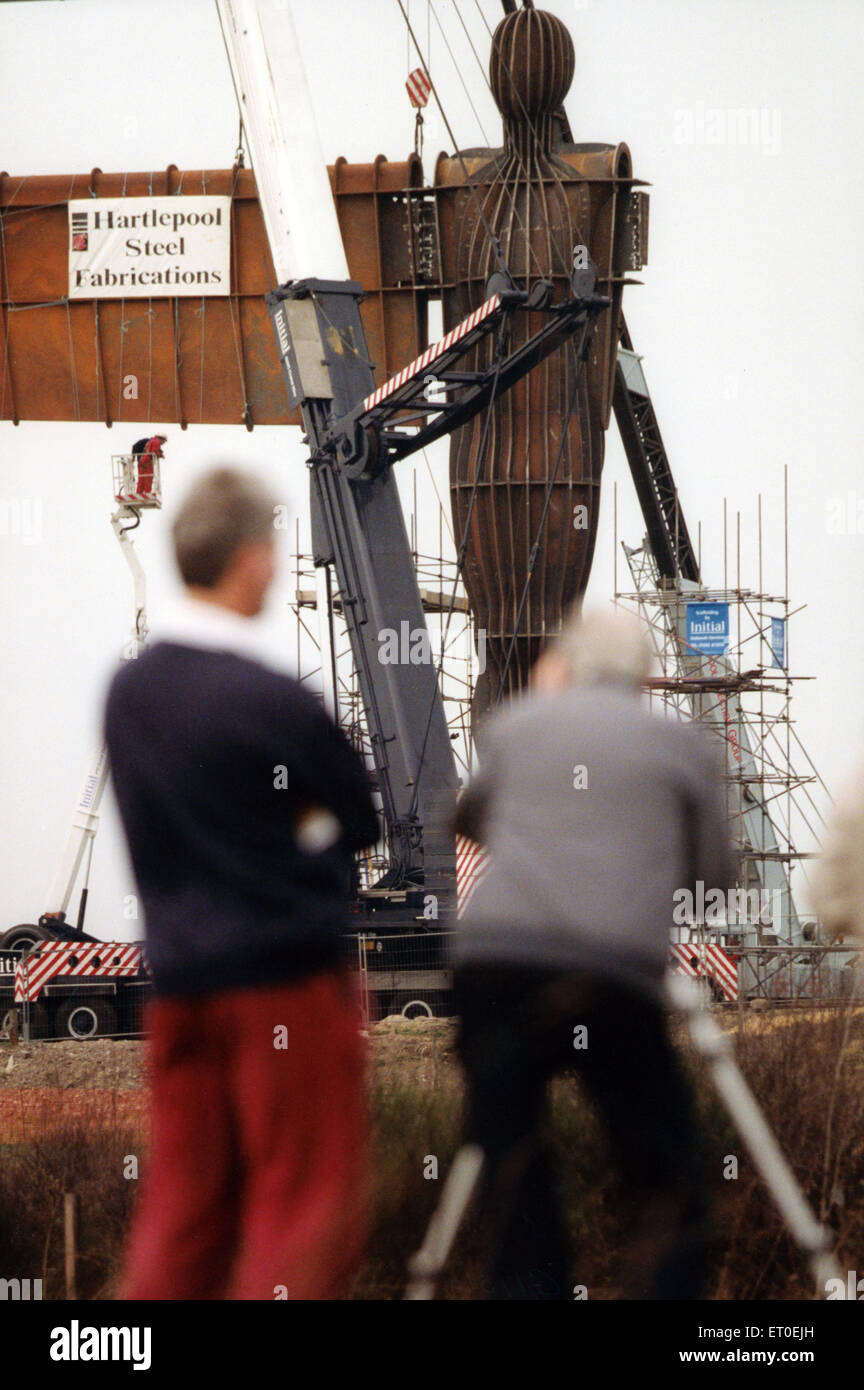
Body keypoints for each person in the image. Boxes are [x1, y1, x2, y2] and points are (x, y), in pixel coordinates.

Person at [104, 467, 379, 1300]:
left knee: (187, 1210)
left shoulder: (130, 694)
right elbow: (360, 822)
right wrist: (303, 829)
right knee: (302, 1205)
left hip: (181, 985)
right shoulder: (277, 704)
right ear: (254, 559)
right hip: (283, 982)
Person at [451, 606, 736, 1300]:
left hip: (493, 962)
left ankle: (530, 1288)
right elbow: (716, 876)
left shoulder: (514, 727)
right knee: (662, 1160)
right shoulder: (681, 745)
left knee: (509, 1149)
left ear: (566, 667)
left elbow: (469, 820)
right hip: (608, 969)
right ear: (644, 677)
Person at [134, 432, 166, 500]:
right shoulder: (156, 442)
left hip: (142, 461)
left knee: (141, 480)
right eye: (164, 441)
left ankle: (139, 494)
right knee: (148, 479)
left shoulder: (152, 441)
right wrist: (160, 455)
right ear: (162, 439)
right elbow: (154, 452)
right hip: (147, 462)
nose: (163, 443)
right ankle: (147, 494)